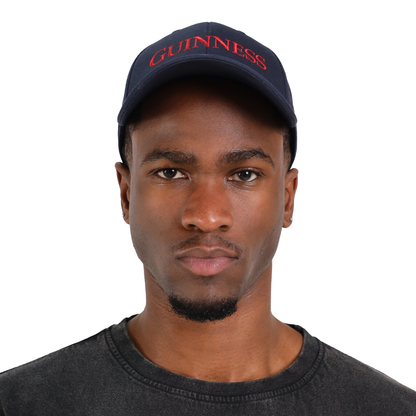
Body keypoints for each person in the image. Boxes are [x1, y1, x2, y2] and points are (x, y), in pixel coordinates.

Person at [0, 21, 415, 416]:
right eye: (170, 172)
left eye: (244, 174)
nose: (206, 215)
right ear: (126, 194)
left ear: (287, 199)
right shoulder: (20, 403)